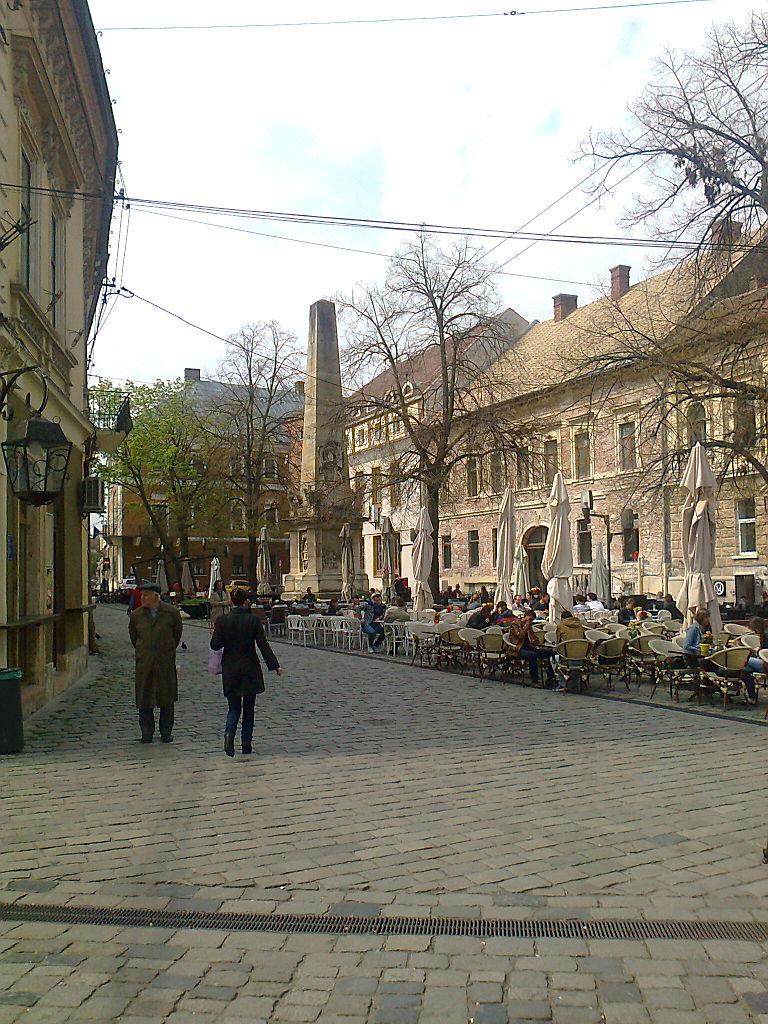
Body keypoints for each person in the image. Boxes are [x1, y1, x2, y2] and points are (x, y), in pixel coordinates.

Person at [210, 589, 282, 757]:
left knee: (234, 707)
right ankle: (246, 744)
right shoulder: (253, 620)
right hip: (250, 667)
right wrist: (275, 665)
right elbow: (263, 645)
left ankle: (229, 734)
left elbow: (215, 645)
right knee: (249, 709)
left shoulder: (222, 621)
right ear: (245, 602)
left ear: (232, 601)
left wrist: (218, 635)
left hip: (230, 668)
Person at [128, 581, 183, 743]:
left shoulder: (171, 613)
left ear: (156, 596)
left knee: (167, 698)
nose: (142, 598)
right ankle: (147, 732)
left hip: (165, 661)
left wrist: (166, 650)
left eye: (146, 595)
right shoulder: (136, 615)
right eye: (142, 595)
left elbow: (177, 634)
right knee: (144, 698)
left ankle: (166, 732)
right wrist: (144, 651)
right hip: (145, 662)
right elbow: (134, 637)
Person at [508, 610, 555, 687]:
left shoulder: (529, 626)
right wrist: (526, 627)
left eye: (531, 620)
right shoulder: (515, 624)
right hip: (518, 649)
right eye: (529, 619)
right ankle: (535, 680)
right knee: (532, 655)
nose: (530, 621)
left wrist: (535, 640)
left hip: (529, 648)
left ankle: (551, 678)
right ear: (525, 616)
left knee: (550, 653)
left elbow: (534, 638)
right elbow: (520, 636)